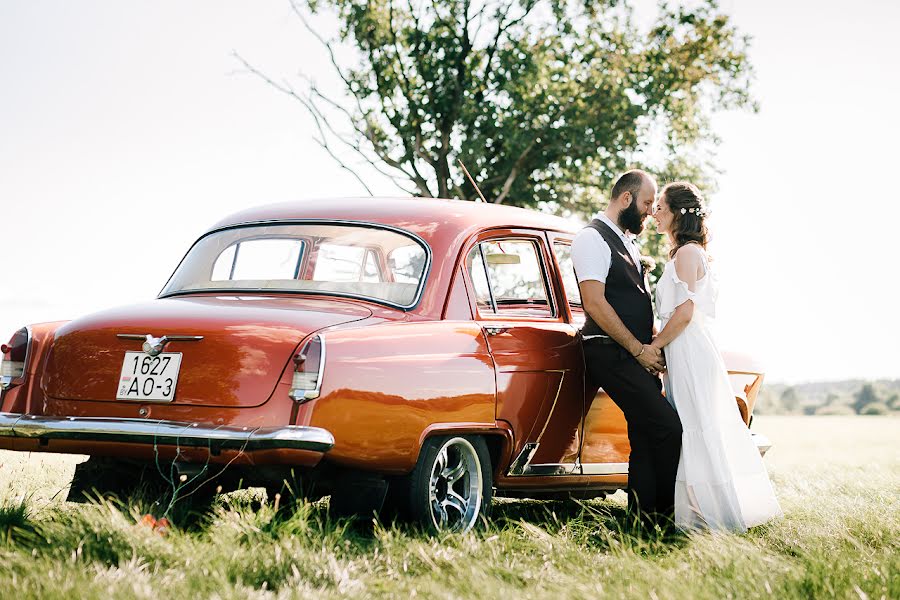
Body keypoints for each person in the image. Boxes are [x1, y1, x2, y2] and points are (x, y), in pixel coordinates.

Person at [651, 181, 783, 532]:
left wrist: (654, 346)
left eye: (660, 207)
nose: (655, 213)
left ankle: (710, 517)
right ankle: (701, 513)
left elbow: (684, 313)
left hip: (689, 350)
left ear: (678, 212)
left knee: (697, 427)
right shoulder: (685, 253)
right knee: (694, 426)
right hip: (682, 348)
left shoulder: (687, 254)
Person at [573, 169, 682, 527]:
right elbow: (595, 303)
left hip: (635, 352)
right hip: (608, 351)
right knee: (667, 427)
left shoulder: (627, 242)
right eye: (648, 203)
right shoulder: (592, 238)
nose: (652, 211)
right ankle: (662, 520)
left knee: (646, 431)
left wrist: (652, 347)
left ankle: (641, 523)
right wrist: (638, 350)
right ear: (626, 199)